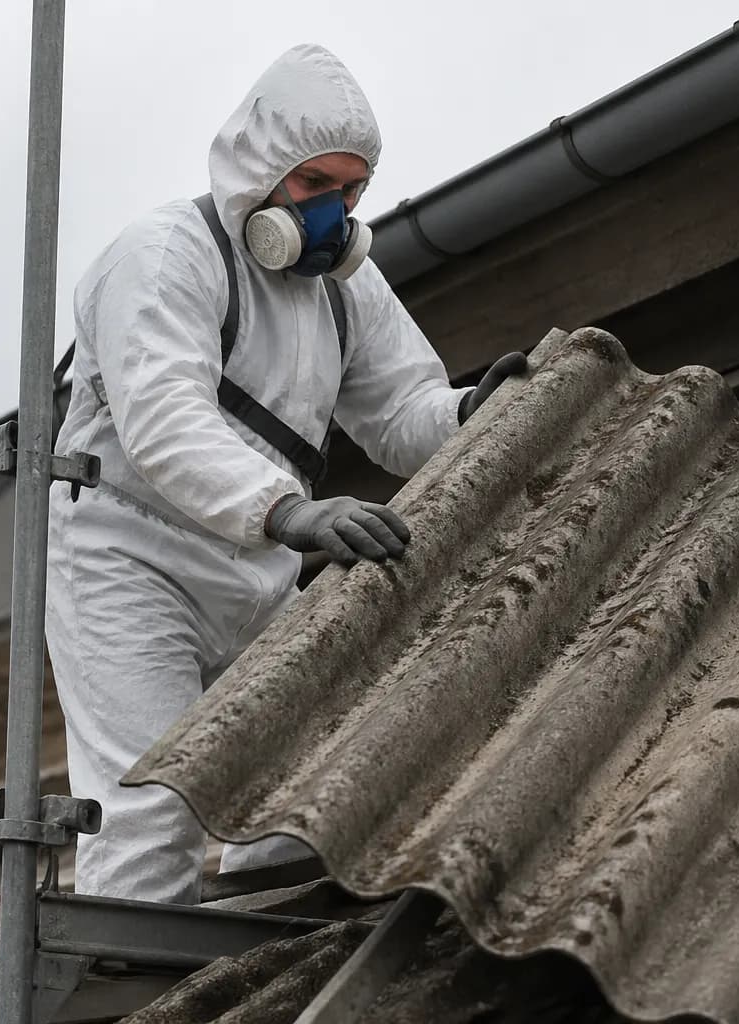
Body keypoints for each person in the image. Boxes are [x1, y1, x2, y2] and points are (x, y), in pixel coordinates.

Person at [45, 43, 527, 905]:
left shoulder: (346, 289)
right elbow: (166, 420)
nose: (334, 217)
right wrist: (288, 512)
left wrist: (465, 414)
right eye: (314, 190)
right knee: (153, 808)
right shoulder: (163, 256)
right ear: (257, 175)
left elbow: (399, 410)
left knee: (297, 800)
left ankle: (245, 987)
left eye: (351, 193)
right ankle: (121, 994)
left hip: (256, 569)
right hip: (128, 557)